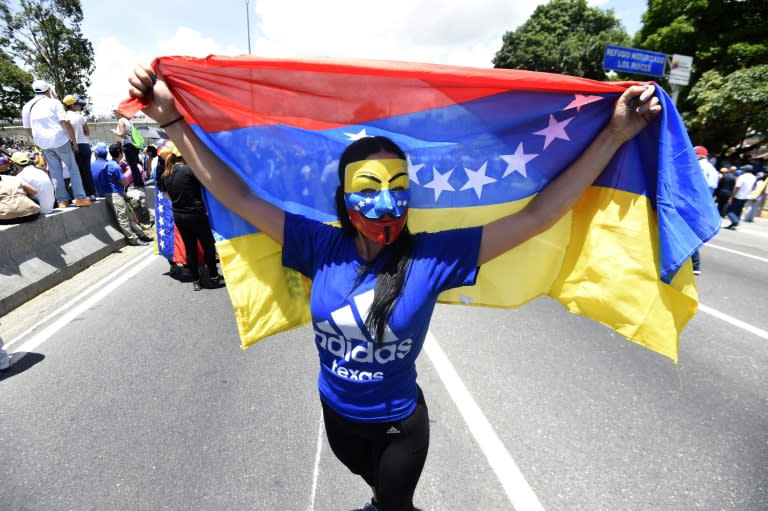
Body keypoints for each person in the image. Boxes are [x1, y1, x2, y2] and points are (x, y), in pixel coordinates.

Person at [128, 64, 661, 511]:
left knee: (392, 506)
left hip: (398, 430)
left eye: (398, 188)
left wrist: (614, 133)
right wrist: (173, 120)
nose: (386, 204)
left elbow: (541, 213)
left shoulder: (434, 256)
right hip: (337, 420)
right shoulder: (317, 245)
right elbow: (238, 194)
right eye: (369, 188)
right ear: (344, 195)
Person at [156, 140, 224, 291]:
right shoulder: (189, 170)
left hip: (179, 216)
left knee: (190, 248)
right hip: (196, 214)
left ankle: (196, 281)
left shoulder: (165, 176)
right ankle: (213, 277)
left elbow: (168, 196)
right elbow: (206, 185)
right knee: (208, 246)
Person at [20, 79, 91, 209]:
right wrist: (74, 142)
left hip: (43, 144)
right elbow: (66, 122)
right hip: (60, 140)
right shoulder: (54, 102)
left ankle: (62, 201)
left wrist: (40, 141)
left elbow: (29, 130)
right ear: (48, 90)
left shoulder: (27, 107)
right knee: (72, 169)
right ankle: (80, 198)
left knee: (55, 171)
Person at [94, 143, 152, 246]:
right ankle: (134, 240)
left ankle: (141, 235)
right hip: (115, 195)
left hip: (116, 194)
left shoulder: (110, 164)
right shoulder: (115, 166)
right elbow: (124, 182)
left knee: (129, 217)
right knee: (124, 220)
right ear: (120, 153)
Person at [62, 94, 96, 200]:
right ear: (72, 105)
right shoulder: (80, 117)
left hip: (71, 146)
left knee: (76, 172)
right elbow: (87, 132)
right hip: (84, 145)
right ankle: (91, 193)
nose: (79, 106)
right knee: (87, 170)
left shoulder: (63, 117)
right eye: (77, 104)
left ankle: (82, 195)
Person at [111, 109, 146, 188]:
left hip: (128, 145)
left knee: (132, 166)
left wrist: (114, 132)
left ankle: (138, 184)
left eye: (115, 112)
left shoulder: (121, 120)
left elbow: (122, 134)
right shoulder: (128, 121)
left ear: (119, 113)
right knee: (135, 165)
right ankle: (139, 182)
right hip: (134, 145)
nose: (114, 114)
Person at [725, 164, 757, 230]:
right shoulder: (754, 177)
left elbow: (737, 187)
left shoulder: (742, 177)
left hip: (738, 196)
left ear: (745, 170)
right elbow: (754, 187)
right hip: (746, 196)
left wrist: (731, 197)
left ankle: (735, 221)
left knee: (729, 210)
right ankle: (734, 223)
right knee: (738, 210)